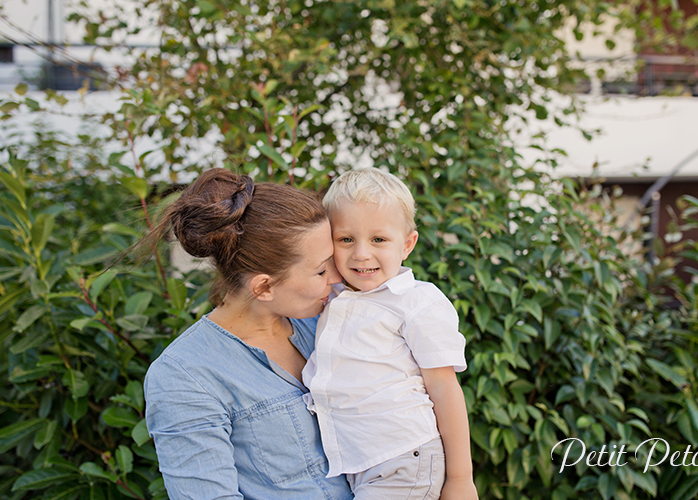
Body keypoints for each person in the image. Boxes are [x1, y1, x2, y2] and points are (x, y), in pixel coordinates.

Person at [143, 168, 352, 500]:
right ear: (264, 287)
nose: (338, 276)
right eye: (321, 269)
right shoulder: (185, 376)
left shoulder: (328, 325)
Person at [302, 168, 479, 500]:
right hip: (356, 463)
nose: (361, 254)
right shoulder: (334, 295)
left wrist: (460, 479)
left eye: (379, 239)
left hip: (403, 458)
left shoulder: (415, 302)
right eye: (346, 239)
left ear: (407, 244)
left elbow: (444, 389)